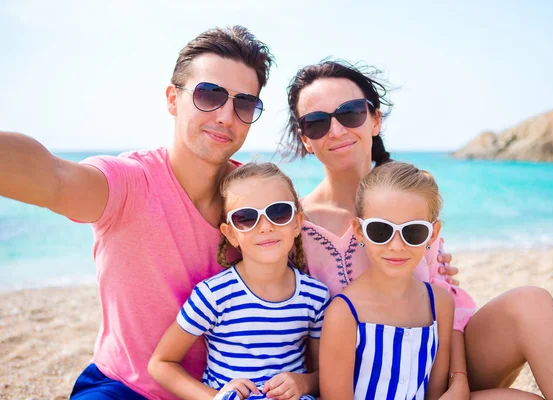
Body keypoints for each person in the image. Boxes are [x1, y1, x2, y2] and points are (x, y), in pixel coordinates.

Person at [282, 60, 553, 398]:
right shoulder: (288, 226)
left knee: (531, 303)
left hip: (430, 372)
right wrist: (306, 382)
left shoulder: (412, 207)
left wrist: (459, 380)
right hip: (346, 385)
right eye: (316, 122)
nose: (336, 131)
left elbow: (448, 309)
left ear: (374, 120)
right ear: (305, 140)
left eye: (350, 113)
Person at [0, 26, 277, 399]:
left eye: (244, 103)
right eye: (209, 95)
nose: (227, 116)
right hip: (124, 387)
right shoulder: (129, 183)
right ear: (172, 99)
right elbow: (54, 177)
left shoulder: (254, 200)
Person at [148, 163, 328, 400]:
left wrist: (302, 383)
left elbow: (323, 374)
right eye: (246, 218)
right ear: (231, 234)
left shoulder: (315, 296)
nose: (265, 227)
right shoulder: (213, 295)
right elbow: (161, 363)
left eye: (278, 212)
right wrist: (215, 397)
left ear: (297, 222)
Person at [320, 161, 455, 399]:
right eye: (381, 231)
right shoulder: (345, 313)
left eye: (413, 231)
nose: (396, 246)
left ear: (432, 234)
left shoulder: (441, 304)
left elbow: (435, 392)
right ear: (359, 231)